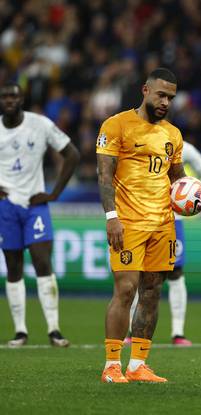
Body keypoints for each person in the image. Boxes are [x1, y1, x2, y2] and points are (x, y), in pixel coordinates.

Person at [96, 68, 201, 384]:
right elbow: (104, 176)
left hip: (164, 224)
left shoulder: (173, 135)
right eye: (161, 95)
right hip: (128, 223)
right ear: (145, 90)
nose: (166, 102)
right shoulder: (116, 125)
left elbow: (178, 179)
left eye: (171, 98)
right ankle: (111, 365)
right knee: (125, 290)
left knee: (151, 293)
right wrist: (112, 218)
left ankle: (137, 365)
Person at [0, 82, 80, 347]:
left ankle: (54, 329)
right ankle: (20, 331)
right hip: (6, 205)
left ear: (21, 99)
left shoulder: (40, 124)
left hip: (36, 203)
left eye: (13, 95)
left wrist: (54, 193)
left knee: (42, 262)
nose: (9, 100)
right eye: (5, 96)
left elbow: (72, 154)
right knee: (13, 267)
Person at [127, 140, 201, 346]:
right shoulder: (139, 143)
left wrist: (199, 199)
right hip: (144, 216)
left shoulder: (184, 147)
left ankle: (178, 333)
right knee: (138, 274)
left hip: (174, 220)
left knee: (175, 273)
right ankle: (132, 331)